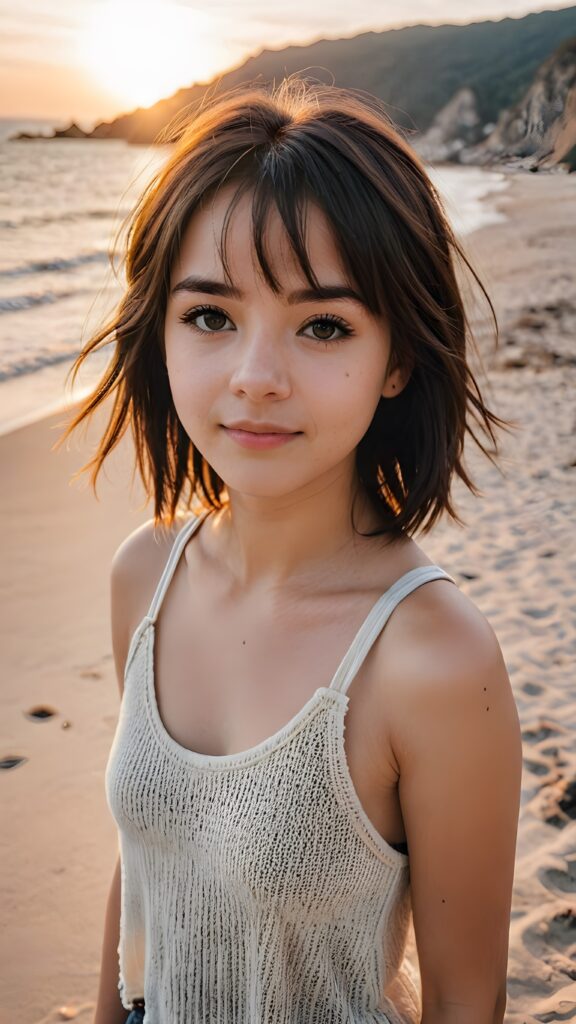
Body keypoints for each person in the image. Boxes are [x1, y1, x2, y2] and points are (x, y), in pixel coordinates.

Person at [60, 78, 523, 1024]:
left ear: (397, 359)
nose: (255, 378)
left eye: (322, 326)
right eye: (211, 316)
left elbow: (468, 1002)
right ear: (163, 334)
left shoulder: (434, 660)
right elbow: (144, 858)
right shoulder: (146, 576)